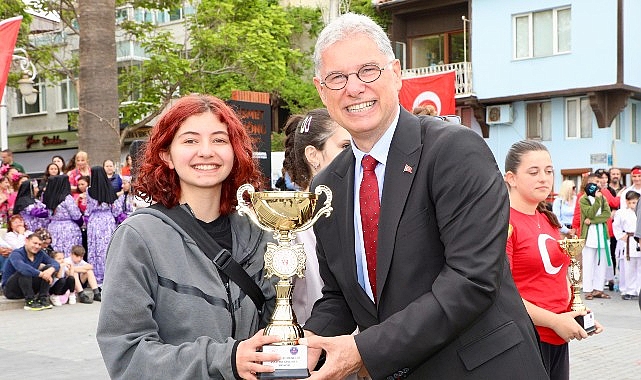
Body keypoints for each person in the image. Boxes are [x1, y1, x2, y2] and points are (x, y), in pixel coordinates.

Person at [300, 13, 548, 379]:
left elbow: (470, 280)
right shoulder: (327, 185)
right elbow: (340, 296)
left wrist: (364, 350)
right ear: (322, 90)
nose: (354, 88)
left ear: (396, 73)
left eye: (368, 70)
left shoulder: (454, 150)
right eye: (338, 78)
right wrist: (303, 346)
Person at [96, 94, 281, 380]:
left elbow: (277, 323)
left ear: (235, 151)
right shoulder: (138, 237)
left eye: (219, 140)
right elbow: (126, 355)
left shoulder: (257, 233)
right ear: (166, 154)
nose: (206, 151)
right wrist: (226, 359)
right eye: (190, 140)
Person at [504, 140, 603, 380]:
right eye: (533, 172)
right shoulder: (503, 222)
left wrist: (576, 310)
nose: (544, 178)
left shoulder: (548, 220)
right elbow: (502, 293)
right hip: (525, 339)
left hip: (557, 338)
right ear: (511, 178)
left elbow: (558, 276)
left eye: (549, 171)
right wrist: (554, 320)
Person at [282, 108, 351, 325]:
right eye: (345, 146)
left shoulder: (359, 211)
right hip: (312, 344)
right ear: (313, 155)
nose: (356, 154)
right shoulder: (289, 224)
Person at [1, 233, 59, 310]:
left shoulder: (40, 253)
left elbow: (55, 263)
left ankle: (43, 298)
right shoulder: (16, 253)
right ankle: (30, 301)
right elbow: (22, 267)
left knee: (49, 268)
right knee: (25, 271)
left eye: (39, 244)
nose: (37, 246)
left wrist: (50, 270)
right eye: (34, 243)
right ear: (26, 241)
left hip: (28, 285)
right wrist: (41, 274)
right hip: (11, 290)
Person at [579, 172, 612, 300]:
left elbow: (606, 214)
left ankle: (598, 289)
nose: (598, 186)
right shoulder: (584, 199)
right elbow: (590, 212)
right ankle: (588, 290)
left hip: (602, 234)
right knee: (588, 263)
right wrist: (598, 200)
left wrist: (592, 221)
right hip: (589, 235)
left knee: (601, 263)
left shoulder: (603, 198)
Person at [85, 165, 120, 286]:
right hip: (108, 221)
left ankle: (96, 278)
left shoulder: (89, 191)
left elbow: (88, 209)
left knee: (95, 249)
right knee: (108, 248)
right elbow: (116, 210)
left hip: (95, 221)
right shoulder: (110, 188)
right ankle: (110, 275)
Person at [42, 175, 83, 257]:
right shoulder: (67, 198)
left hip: (53, 227)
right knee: (69, 254)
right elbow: (76, 215)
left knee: (57, 254)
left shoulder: (48, 197)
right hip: (68, 229)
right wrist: (81, 222)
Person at [613, 190, 640, 300]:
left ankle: (639, 290)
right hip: (629, 241)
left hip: (639, 239)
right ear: (627, 202)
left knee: (640, 267)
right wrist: (621, 236)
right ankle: (629, 290)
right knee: (628, 268)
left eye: (636, 202)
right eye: (632, 202)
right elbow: (616, 226)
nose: (634, 205)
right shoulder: (621, 213)